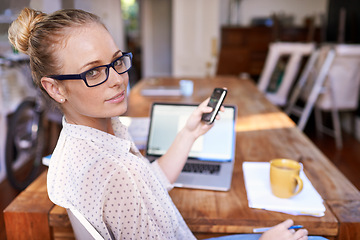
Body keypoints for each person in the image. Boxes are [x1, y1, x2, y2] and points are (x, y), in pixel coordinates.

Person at [8, 7, 311, 240]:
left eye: (116, 61)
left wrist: (189, 134)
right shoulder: (112, 170)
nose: (117, 79)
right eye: (93, 72)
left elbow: (147, 186)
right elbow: (127, 185)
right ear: (55, 88)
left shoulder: (88, 135)